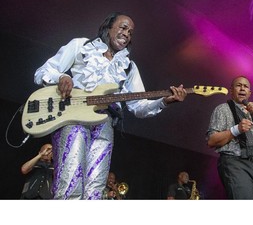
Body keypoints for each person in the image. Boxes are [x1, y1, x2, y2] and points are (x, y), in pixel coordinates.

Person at [34, 12, 187, 199]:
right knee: (70, 181)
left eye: (130, 32)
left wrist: (164, 101)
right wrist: (62, 77)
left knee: (95, 190)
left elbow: (138, 105)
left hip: (104, 123)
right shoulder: (80, 46)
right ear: (108, 27)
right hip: (73, 118)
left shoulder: (128, 66)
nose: (127, 34)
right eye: (123, 27)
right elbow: (44, 71)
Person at [206, 76, 253, 199]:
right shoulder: (223, 109)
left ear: (250, 93)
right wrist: (236, 130)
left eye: (246, 86)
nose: (242, 88)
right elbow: (211, 141)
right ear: (231, 90)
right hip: (235, 163)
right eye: (238, 85)